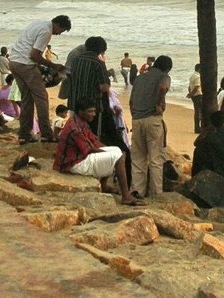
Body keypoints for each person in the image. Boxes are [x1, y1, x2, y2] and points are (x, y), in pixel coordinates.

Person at [54, 97, 144, 206]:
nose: (93, 114)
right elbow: (89, 149)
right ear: (81, 112)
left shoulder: (80, 121)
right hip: (73, 163)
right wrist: (109, 154)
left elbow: (93, 140)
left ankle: (104, 185)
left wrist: (110, 151)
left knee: (117, 151)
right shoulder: (75, 128)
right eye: (90, 111)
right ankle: (126, 196)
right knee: (117, 157)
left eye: (94, 111)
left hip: (79, 157)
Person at [8, 15, 70, 144]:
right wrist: (53, 65)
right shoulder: (47, 31)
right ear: (59, 25)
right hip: (26, 64)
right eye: (61, 31)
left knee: (26, 98)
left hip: (14, 61)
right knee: (41, 98)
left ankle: (24, 134)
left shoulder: (38, 23)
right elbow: (34, 55)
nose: (58, 34)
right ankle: (46, 134)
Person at [130, 54, 171, 199]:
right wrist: (159, 103)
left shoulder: (140, 77)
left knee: (138, 158)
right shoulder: (164, 77)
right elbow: (162, 86)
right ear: (167, 69)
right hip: (153, 119)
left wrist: (134, 117)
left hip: (137, 119)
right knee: (155, 160)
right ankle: (156, 195)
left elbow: (131, 101)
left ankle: (136, 192)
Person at [187, 63, 203, 132]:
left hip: (194, 96)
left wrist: (191, 94)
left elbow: (189, 86)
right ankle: (198, 127)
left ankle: (197, 127)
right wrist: (191, 94)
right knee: (200, 111)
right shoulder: (197, 77)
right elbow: (197, 87)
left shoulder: (192, 76)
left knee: (197, 111)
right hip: (198, 95)